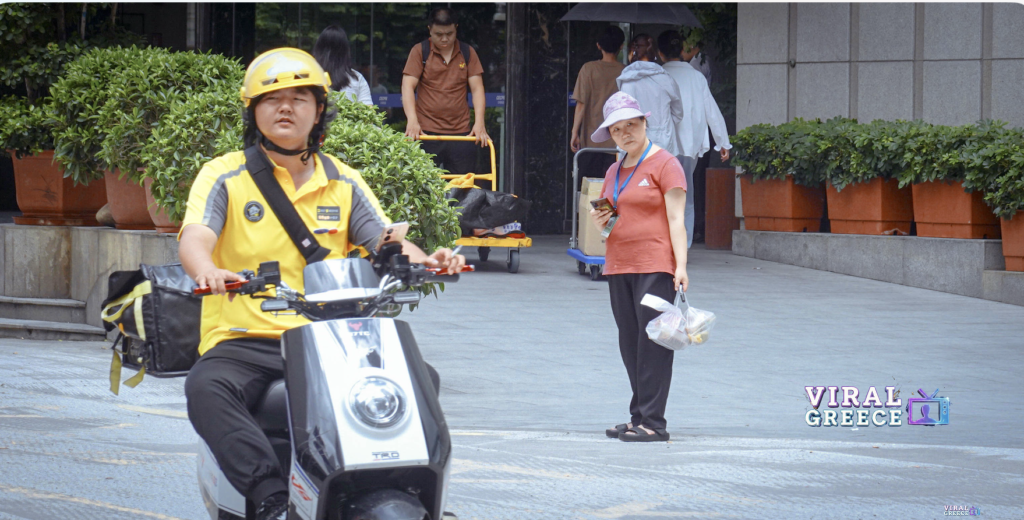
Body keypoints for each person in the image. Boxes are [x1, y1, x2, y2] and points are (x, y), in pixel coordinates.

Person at [177, 48, 465, 520]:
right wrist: (205, 269)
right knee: (206, 387)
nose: (286, 108)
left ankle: (403, 488)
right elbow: (196, 236)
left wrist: (428, 260)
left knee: (420, 379)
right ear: (253, 111)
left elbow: (384, 240)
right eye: (272, 99)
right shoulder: (225, 175)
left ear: (318, 110)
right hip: (246, 336)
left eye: (299, 98)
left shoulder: (342, 181)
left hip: (331, 339)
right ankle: (270, 497)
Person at [588, 92, 689, 443]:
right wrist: (600, 222)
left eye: (631, 125)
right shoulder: (613, 170)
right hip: (618, 264)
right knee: (630, 342)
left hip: (655, 264)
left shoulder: (666, 164)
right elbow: (607, 223)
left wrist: (680, 266)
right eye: (616, 130)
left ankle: (654, 423)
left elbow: (677, 220)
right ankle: (638, 416)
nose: (625, 134)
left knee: (654, 342)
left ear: (645, 123)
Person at [658, 30, 731, 248]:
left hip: (662, 145)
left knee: (660, 194)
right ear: (682, 50)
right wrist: (723, 142)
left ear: (660, 53)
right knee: (685, 193)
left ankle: (662, 242)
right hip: (690, 145)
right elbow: (711, 110)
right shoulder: (696, 77)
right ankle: (684, 244)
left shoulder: (657, 76)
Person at [401, 7, 489, 176]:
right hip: (425, 132)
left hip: (461, 133)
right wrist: (412, 121)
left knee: (462, 186)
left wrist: (479, 123)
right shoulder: (420, 51)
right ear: (429, 30)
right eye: (438, 34)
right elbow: (407, 86)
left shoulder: (467, 52)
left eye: (449, 33)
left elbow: (477, 89)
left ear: (456, 28)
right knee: (422, 184)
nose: (444, 39)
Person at [616, 34, 685, 160]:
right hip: (663, 144)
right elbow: (678, 113)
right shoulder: (666, 79)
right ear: (655, 53)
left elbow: (623, 117)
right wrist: (663, 127)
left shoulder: (626, 81)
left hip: (634, 144)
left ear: (632, 52)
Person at [570, 26, 626, 181]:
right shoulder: (626, 72)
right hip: (616, 143)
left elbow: (581, 104)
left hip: (591, 142)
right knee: (612, 187)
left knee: (590, 188)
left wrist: (575, 132)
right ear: (621, 46)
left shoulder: (588, 69)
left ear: (598, 45)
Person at [313, 25, 373, 105]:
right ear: (346, 51)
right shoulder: (356, 78)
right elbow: (368, 109)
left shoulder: (309, 77)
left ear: (318, 49)